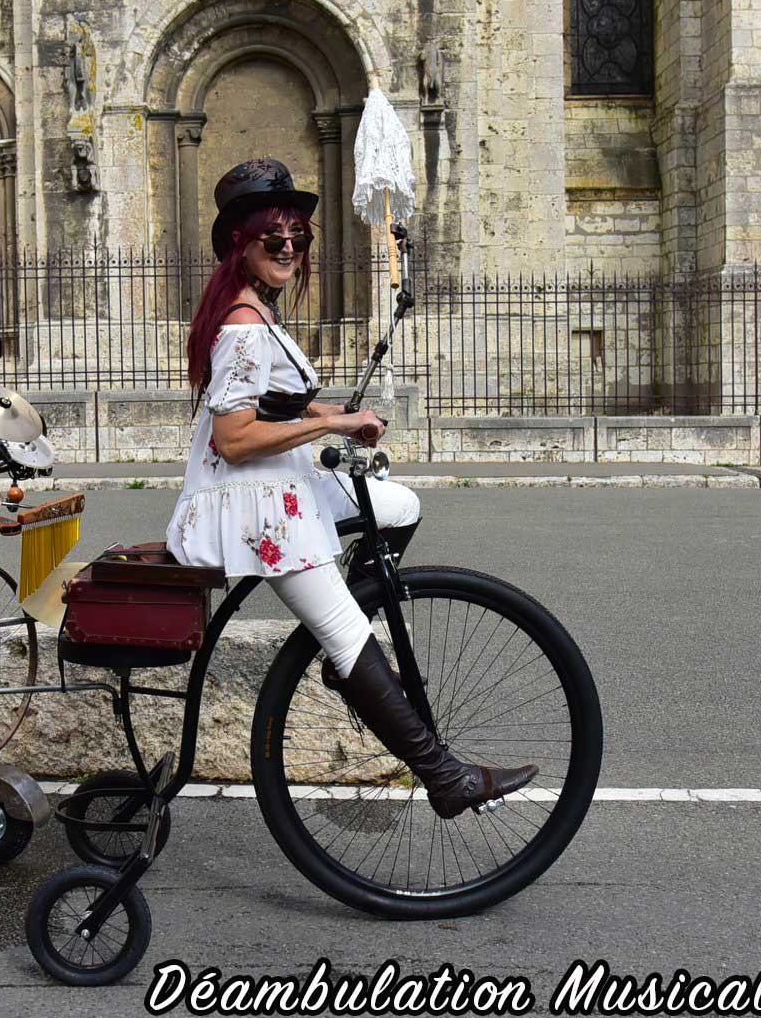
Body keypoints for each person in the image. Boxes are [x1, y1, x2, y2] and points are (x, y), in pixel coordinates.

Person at [166, 158, 535, 818]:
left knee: (398, 505)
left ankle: (350, 643)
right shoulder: (245, 326)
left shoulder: (257, 312)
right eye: (271, 237)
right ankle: (442, 776)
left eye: (297, 236)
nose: (287, 248)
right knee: (344, 632)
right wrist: (336, 420)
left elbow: (273, 407)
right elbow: (235, 437)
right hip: (252, 508)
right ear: (238, 245)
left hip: (279, 485)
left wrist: (331, 415)